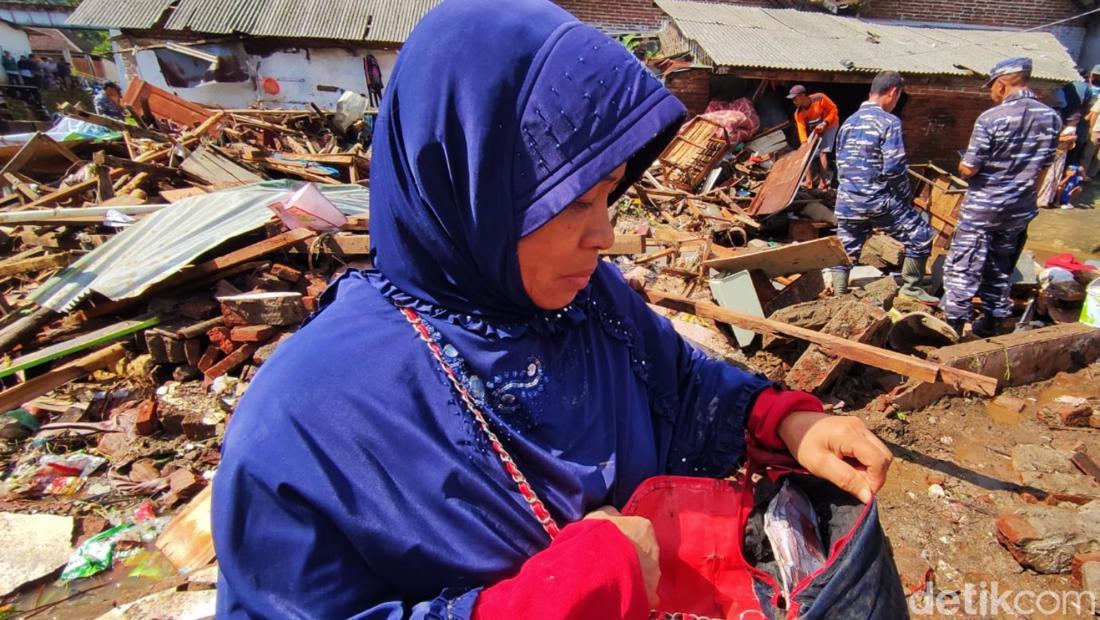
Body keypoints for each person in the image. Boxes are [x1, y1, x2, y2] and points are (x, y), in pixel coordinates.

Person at [211, 1, 894, 617]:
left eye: (609, 195)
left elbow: (677, 386)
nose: (604, 236)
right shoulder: (306, 423)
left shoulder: (586, 303)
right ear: (469, 188)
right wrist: (548, 602)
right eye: (573, 203)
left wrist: (781, 420)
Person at [942, 57, 1061, 338]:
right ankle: (994, 320)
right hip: (1019, 208)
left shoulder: (991, 118)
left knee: (964, 263)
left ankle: (953, 325)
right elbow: (1044, 168)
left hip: (984, 207)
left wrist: (964, 167)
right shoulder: (1051, 118)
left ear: (1002, 83)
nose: (991, 93)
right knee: (1000, 263)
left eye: (991, 86)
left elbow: (970, 168)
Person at [831, 71, 937, 303]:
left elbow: (838, 161)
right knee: (921, 235)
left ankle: (838, 295)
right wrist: (904, 196)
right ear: (893, 92)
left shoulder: (848, 122)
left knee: (845, 246)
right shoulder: (889, 122)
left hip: (847, 201)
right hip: (878, 200)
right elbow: (894, 168)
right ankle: (911, 288)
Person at [788, 84, 839, 190]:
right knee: (806, 153)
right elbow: (801, 129)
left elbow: (834, 110)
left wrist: (825, 122)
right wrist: (804, 143)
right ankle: (808, 182)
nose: (793, 102)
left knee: (822, 152)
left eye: (795, 98)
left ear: (802, 96)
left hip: (830, 125)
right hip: (817, 128)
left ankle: (823, 183)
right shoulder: (798, 113)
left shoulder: (820, 98)